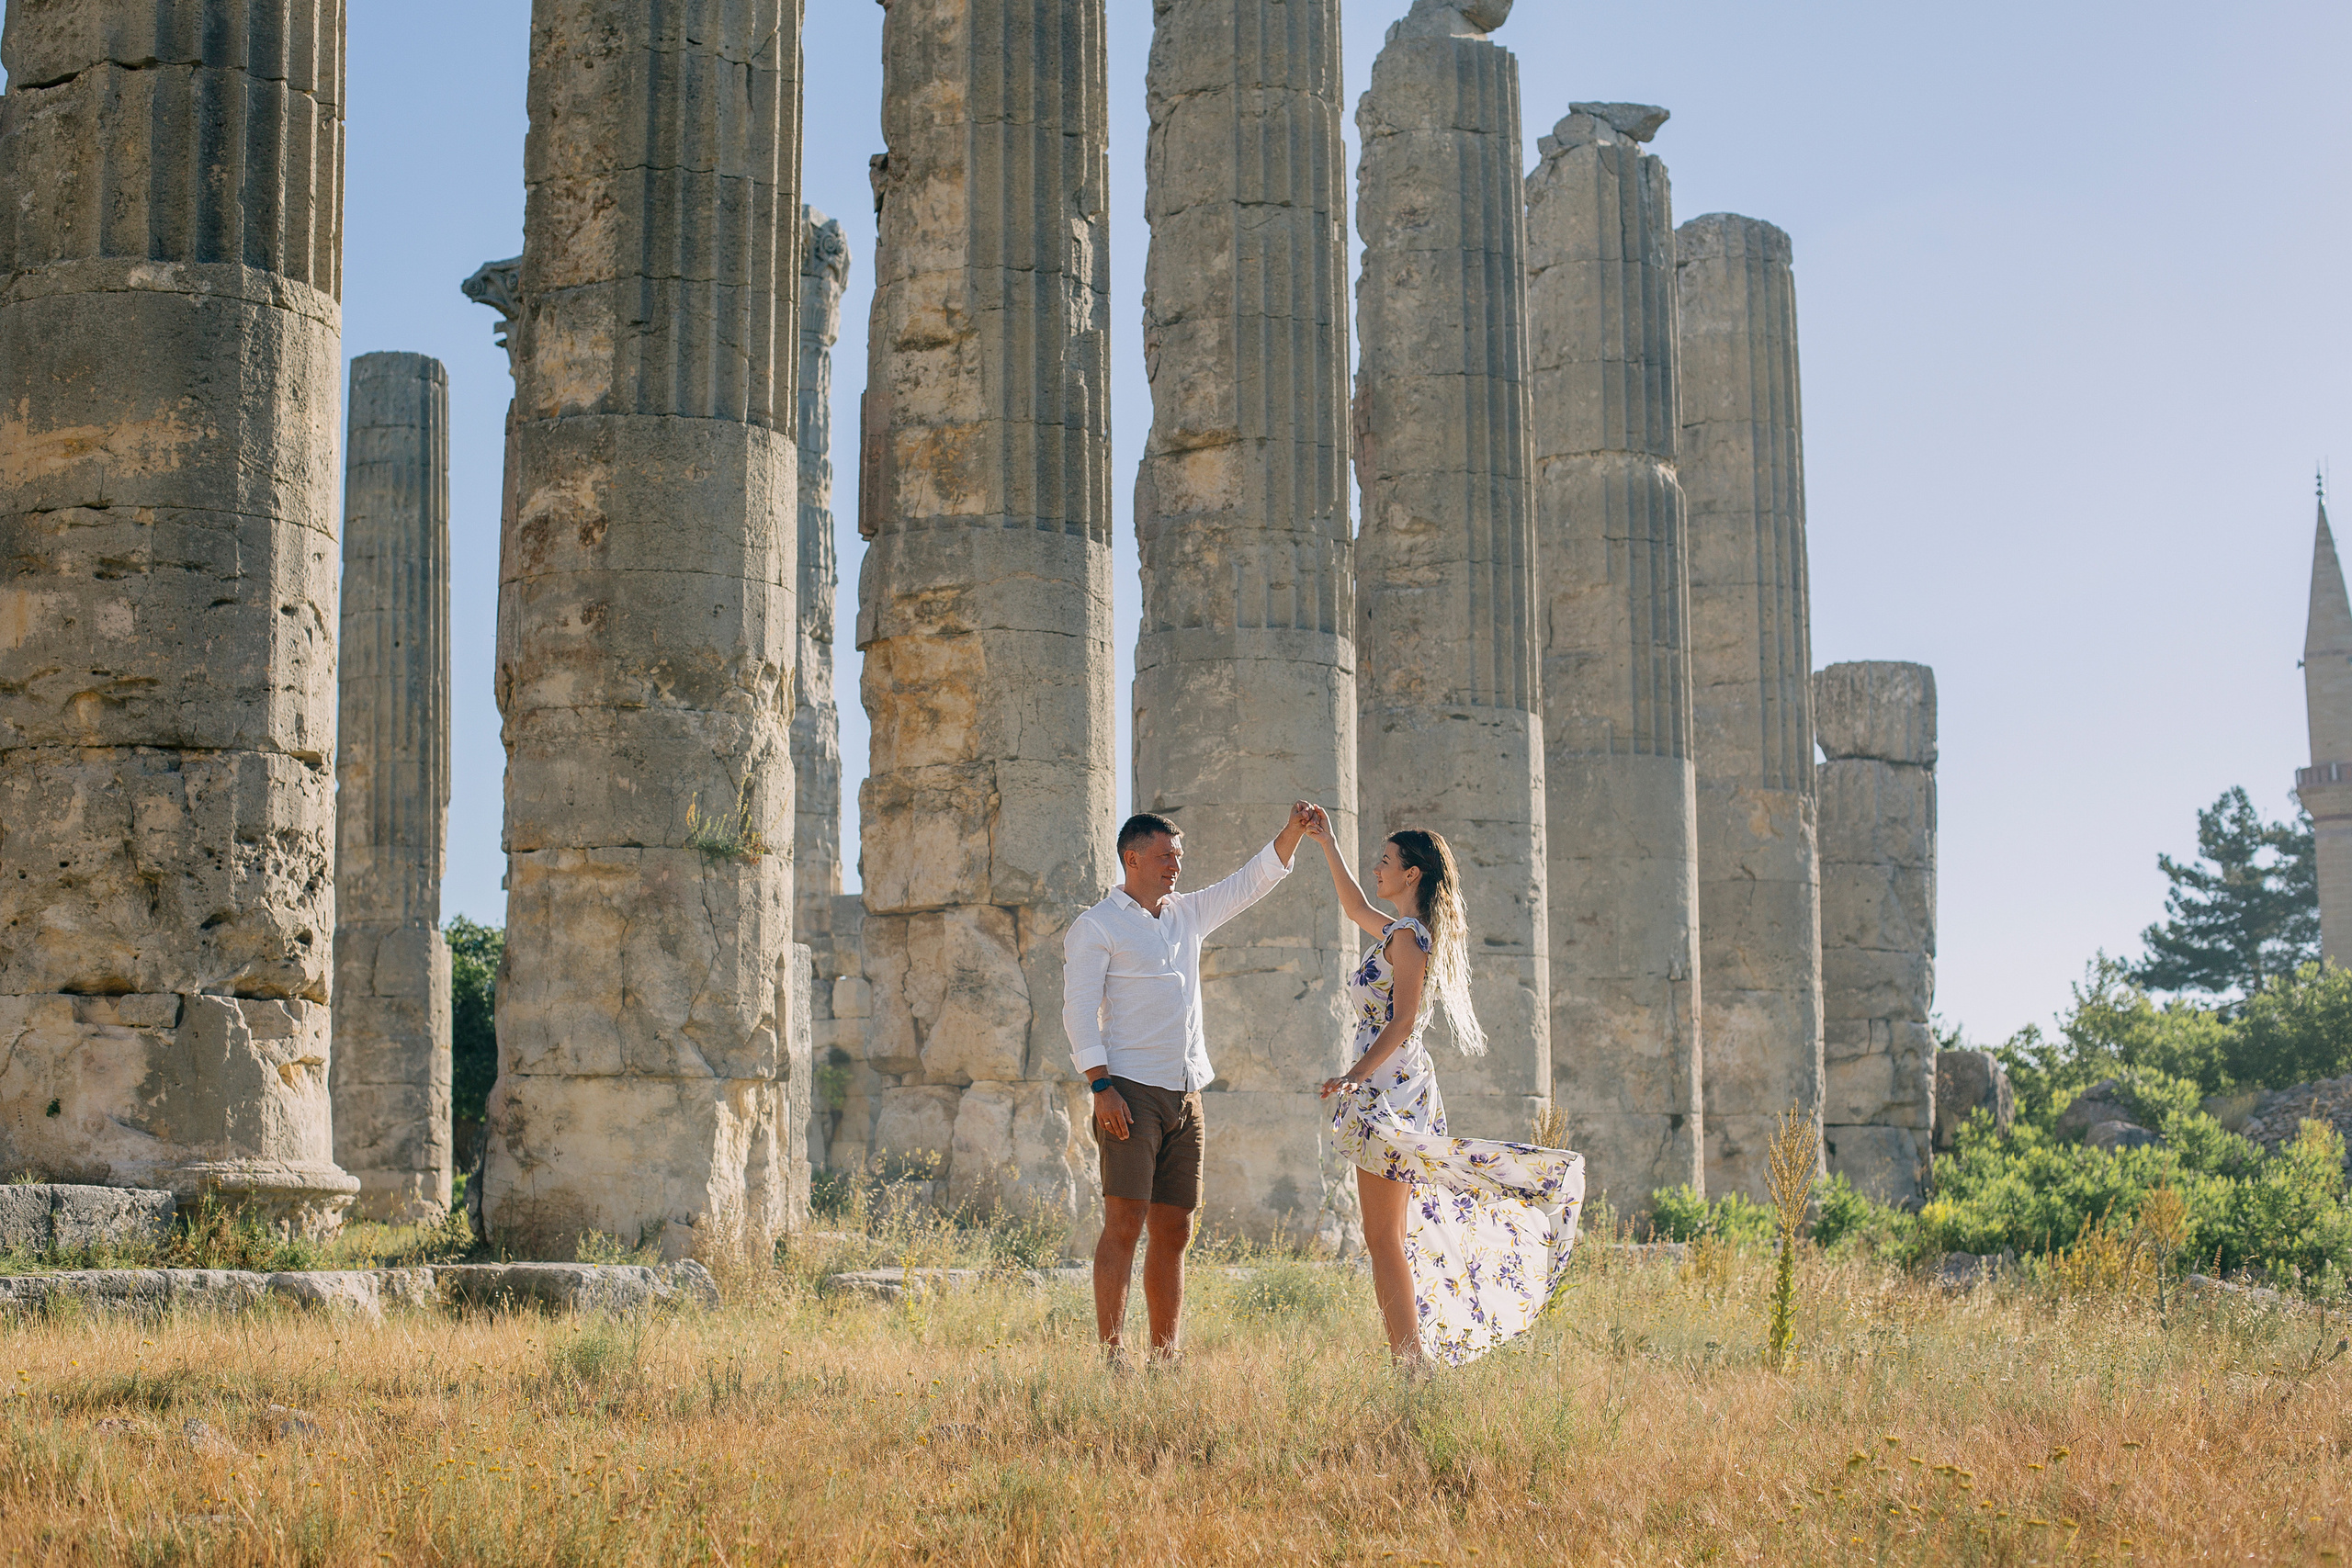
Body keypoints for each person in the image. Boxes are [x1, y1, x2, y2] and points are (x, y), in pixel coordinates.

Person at [1301, 808, 1585, 1367]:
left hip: (1388, 1092)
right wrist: (1326, 843)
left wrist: (1351, 1078)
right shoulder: (1402, 931)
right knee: (1389, 1234)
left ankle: (1411, 1363)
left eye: (1385, 861)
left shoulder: (1409, 939)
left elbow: (1403, 1020)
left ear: (1412, 874)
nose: (1377, 868)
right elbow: (1355, 906)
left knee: (1383, 1235)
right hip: (1390, 1087)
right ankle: (1411, 1359)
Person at [1063, 803, 1318, 1365]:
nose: (1175, 867)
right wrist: (1100, 1086)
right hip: (1127, 1090)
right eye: (1165, 857)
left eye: (1178, 857)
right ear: (1133, 858)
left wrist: (1292, 833)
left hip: (1186, 1093)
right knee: (1125, 1222)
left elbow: (1247, 883)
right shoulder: (1096, 926)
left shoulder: (1188, 914)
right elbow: (1079, 1012)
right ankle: (1111, 1356)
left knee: (1176, 1227)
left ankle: (1165, 1354)